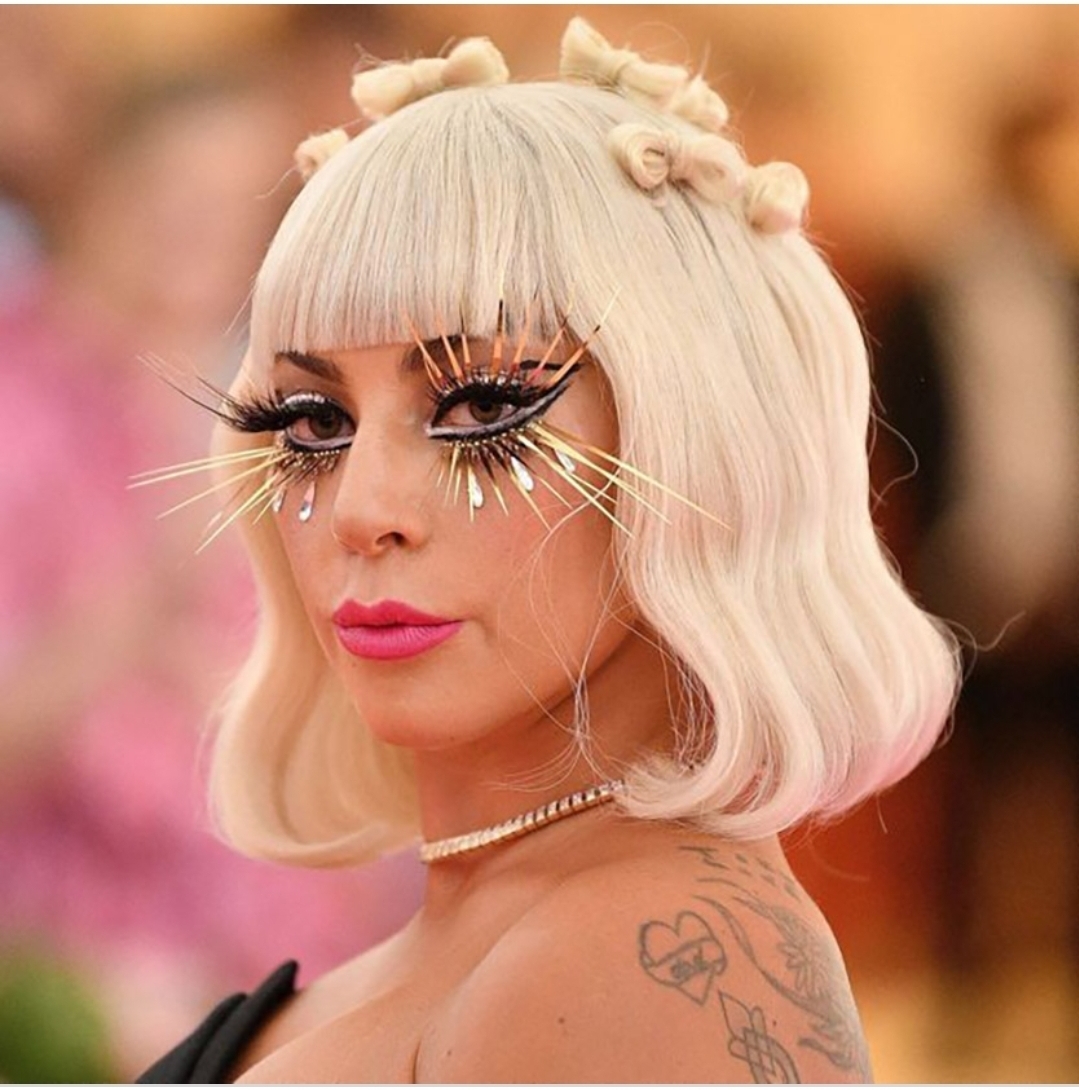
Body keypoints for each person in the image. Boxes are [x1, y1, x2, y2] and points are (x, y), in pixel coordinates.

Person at [137, 18, 958, 1084]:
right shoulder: (530, 933)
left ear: (700, 440)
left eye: (482, 408)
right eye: (311, 421)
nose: (360, 510)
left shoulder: (644, 963)